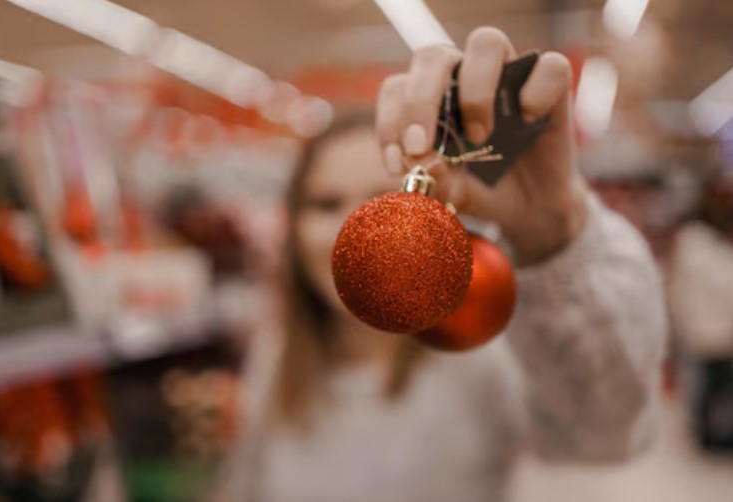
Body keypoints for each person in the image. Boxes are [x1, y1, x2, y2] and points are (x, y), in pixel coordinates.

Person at [222, 27, 667, 502]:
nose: (349, 229)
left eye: (380, 199)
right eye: (324, 203)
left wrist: (553, 229)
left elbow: (606, 435)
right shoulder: (279, 357)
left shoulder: (481, 356)